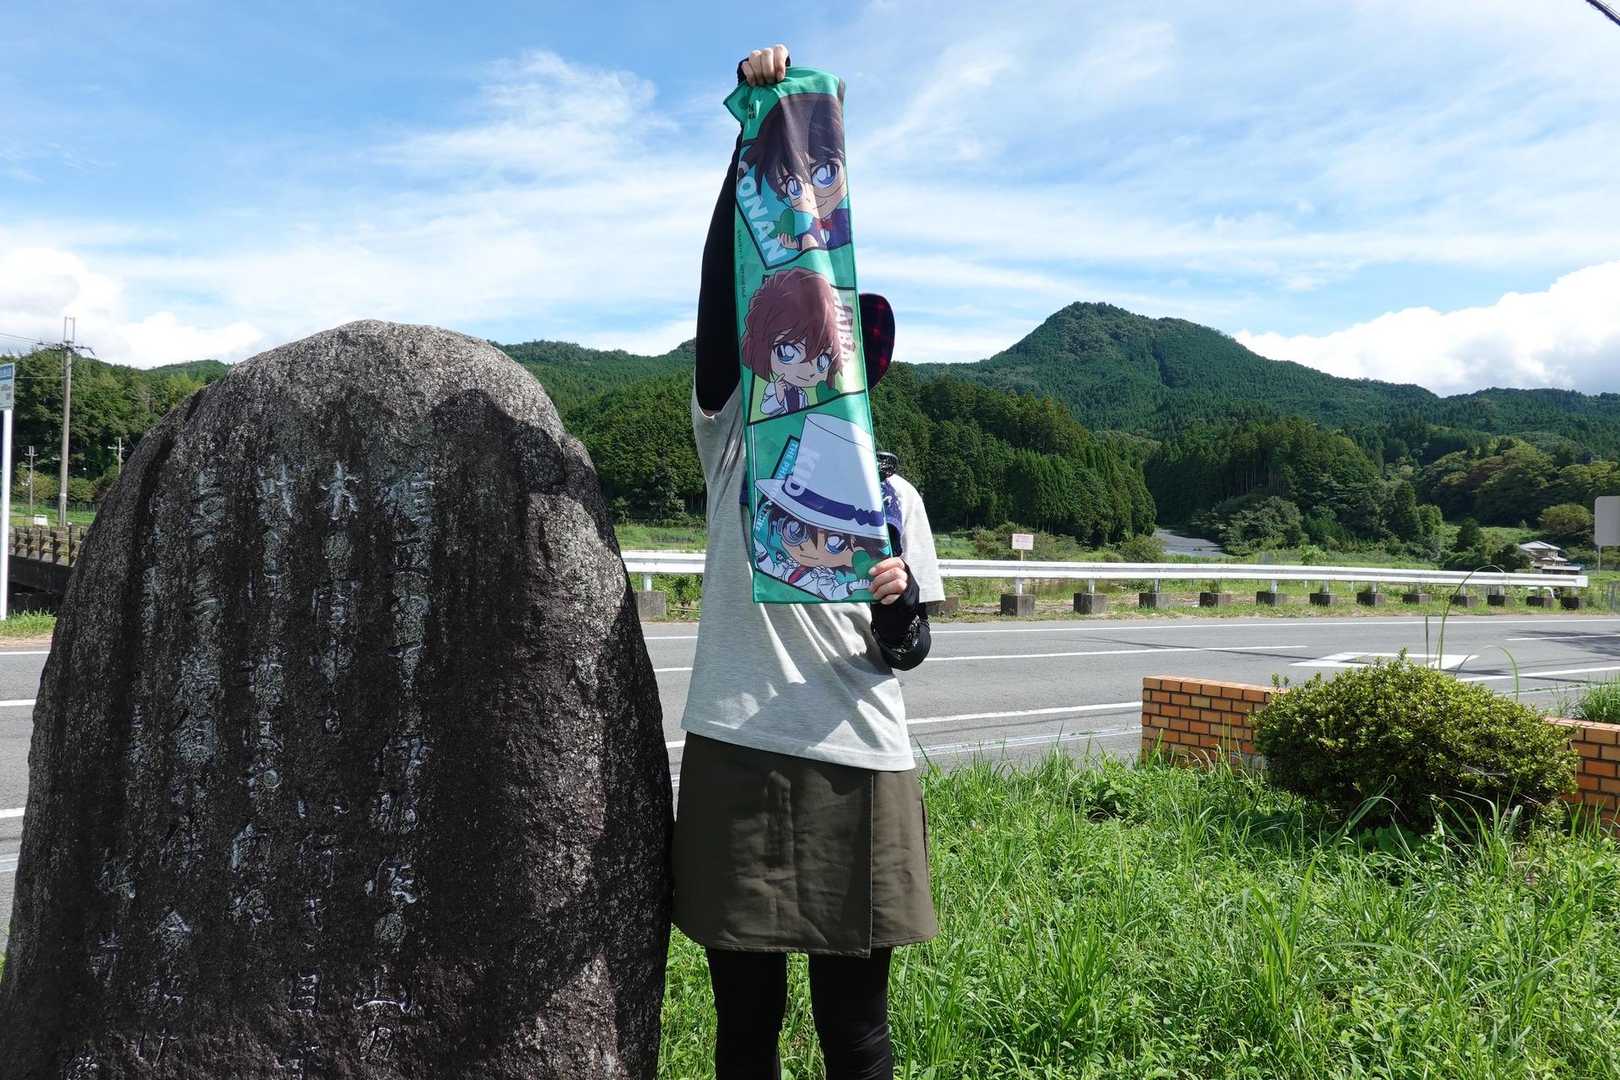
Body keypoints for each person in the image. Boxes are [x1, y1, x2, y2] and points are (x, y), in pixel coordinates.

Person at [672, 43, 942, 1080]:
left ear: (868, 370)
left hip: (861, 755)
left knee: (855, 1030)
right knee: (744, 1025)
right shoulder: (735, 444)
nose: (817, 357)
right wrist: (754, 141)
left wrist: (899, 612)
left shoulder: (894, 497)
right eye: (796, 340)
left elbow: (908, 650)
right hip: (737, 743)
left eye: (838, 347)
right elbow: (719, 298)